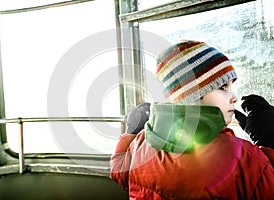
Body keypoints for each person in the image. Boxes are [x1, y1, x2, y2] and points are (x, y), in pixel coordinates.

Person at [110, 40, 274, 199]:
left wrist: (130, 134)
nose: (234, 97)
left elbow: (120, 172)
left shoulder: (141, 142)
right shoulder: (244, 159)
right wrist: (269, 142)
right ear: (191, 96)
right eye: (223, 87)